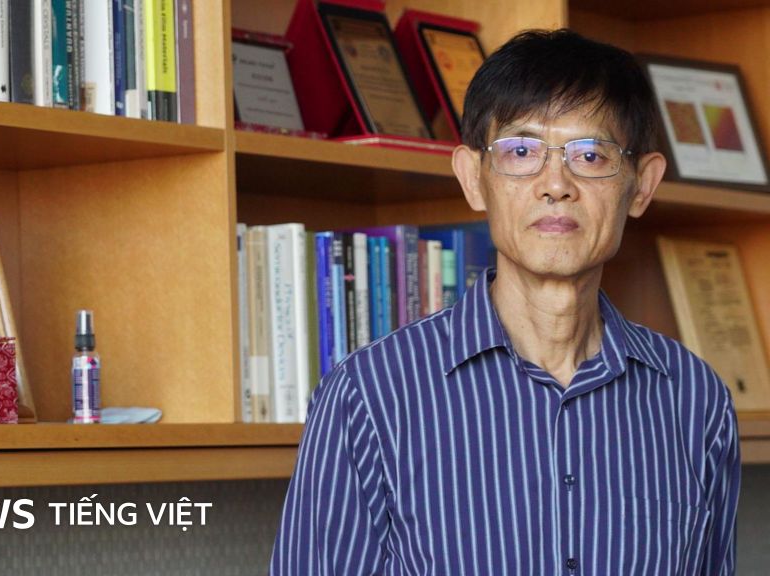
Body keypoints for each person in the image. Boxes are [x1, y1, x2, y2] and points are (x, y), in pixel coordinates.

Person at [270, 29, 740, 575]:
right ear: (474, 179)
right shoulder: (369, 396)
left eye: (590, 155)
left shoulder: (694, 401)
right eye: (521, 152)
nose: (555, 185)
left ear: (642, 185)